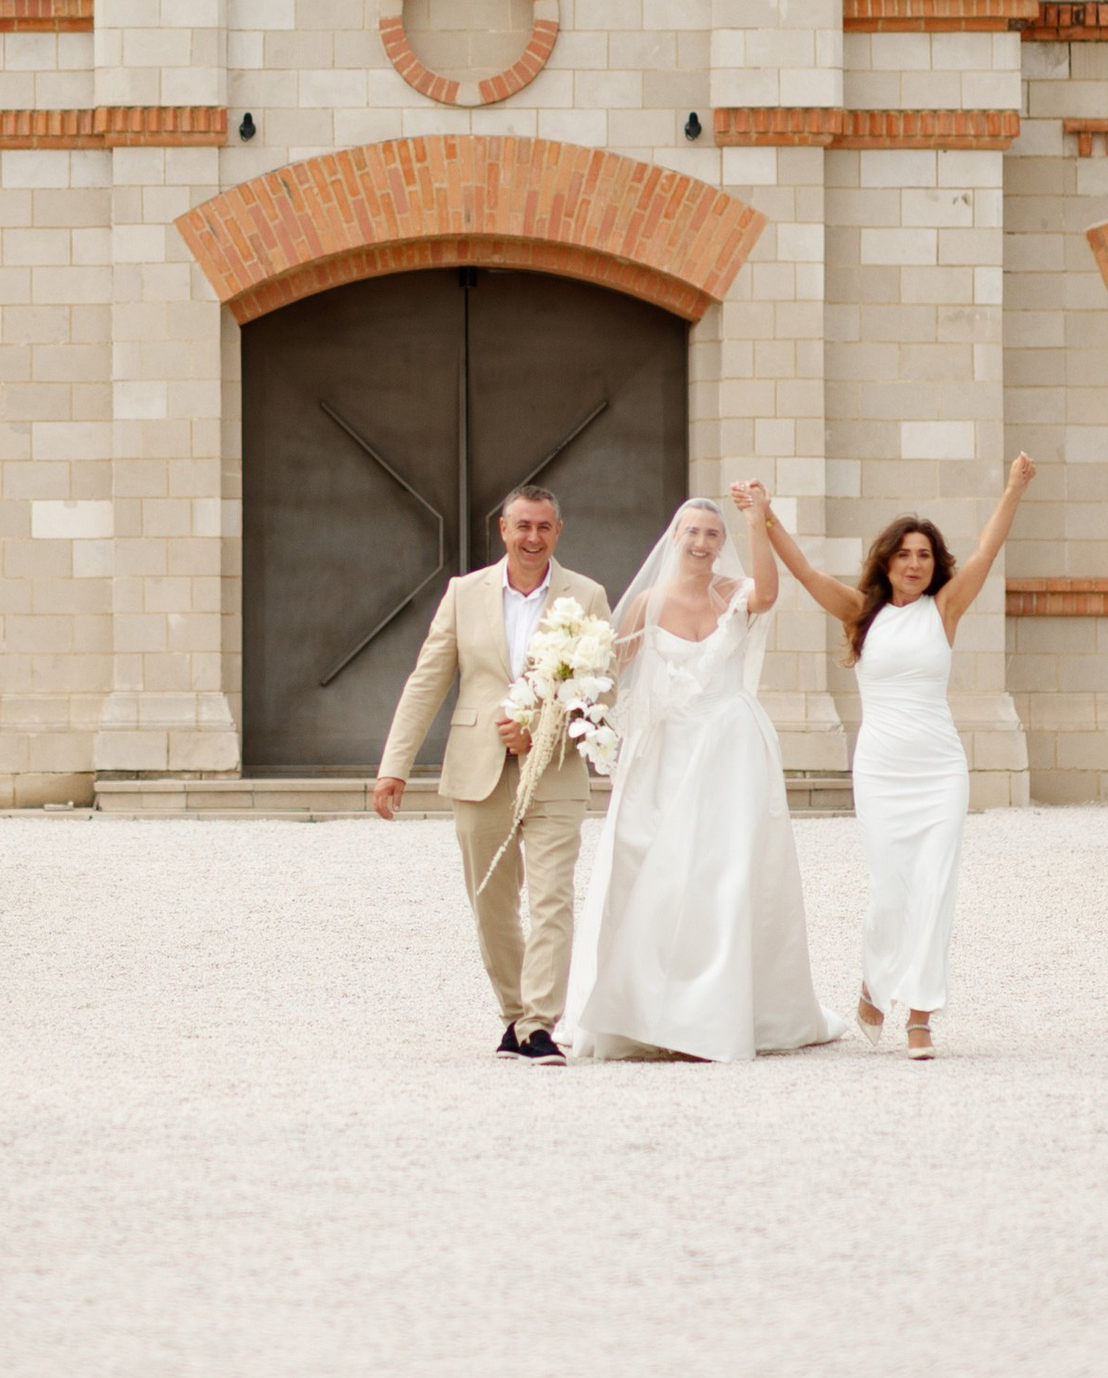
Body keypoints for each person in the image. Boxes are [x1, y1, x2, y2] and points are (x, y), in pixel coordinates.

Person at [758, 456, 1035, 1059]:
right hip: (882, 770)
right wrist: (767, 516)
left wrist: (1013, 486)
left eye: (925, 556)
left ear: (936, 566)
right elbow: (803, 573)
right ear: (887, 561)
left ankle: (920, 1016)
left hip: (939, 770)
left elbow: (987, 551)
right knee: (891, 891)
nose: (915, 564)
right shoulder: (864, 613)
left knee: (935, 888)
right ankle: (871, 982)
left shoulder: (945, 610)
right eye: (905, 554)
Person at [560, 483, 840, 1064]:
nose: (702, 542)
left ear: (722, 545)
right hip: (662, 749)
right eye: (692, 531)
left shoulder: (737, 592)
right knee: (645, 866)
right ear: (675, 537)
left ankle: (716, 1012)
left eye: (713, 534)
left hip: (728, 747)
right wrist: (576, 710)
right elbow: (610, 671)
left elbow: (769, 591)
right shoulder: (646, 603)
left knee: (724, 872)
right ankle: (636, 1010)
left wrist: (759, 519)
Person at [371, 484, 610, 1061]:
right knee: (492, 901)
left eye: (544, 527)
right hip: (477, 765)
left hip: (554, 767)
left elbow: (605, 688)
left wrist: (544, 730)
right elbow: (427, 680)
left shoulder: (588, 596)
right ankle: (514, 1013)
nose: (533, 538)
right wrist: (393, 767)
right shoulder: (463, 593)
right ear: (502, 530)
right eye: (522, 526)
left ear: (558, 531)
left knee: (552, 895)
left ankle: (539, 1023)